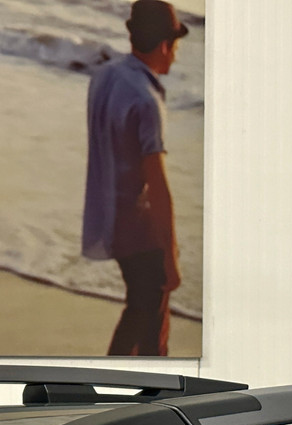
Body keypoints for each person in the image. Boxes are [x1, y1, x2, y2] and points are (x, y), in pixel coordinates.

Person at [82, 0, 188, 356]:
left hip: (106, 215)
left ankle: (127, 381)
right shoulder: (146, 100)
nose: (175, 55)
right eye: (175, 46)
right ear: (164, 46)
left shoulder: (105, 76)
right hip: (138, 227)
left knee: (143, 314)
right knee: (147, 322)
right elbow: (157, 185)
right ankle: (121, 382)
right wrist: (171, 255)